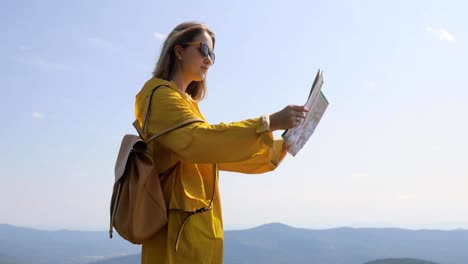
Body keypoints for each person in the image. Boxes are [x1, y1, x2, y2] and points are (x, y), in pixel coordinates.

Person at [135, 21, 309, 264]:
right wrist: (268, 123)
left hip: (193, 229)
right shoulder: (159, 95)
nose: (209, 60)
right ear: (179, 50)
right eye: (204, 50)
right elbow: (201, 141)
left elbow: (215, 154)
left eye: (212, 55)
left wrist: (281, 147)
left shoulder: (184, 103)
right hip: (176, 234)